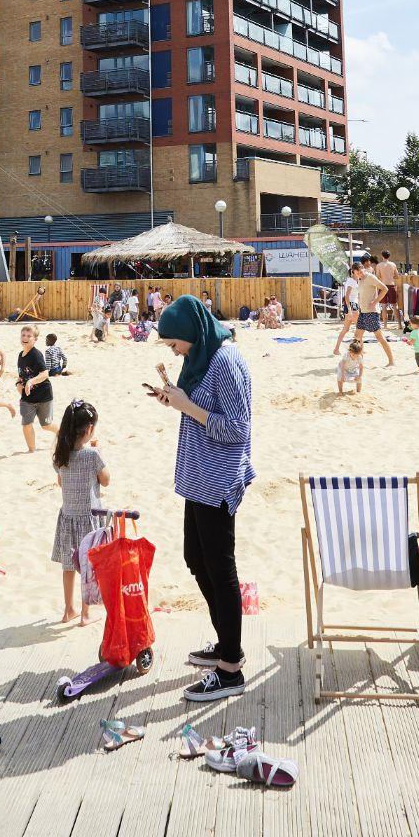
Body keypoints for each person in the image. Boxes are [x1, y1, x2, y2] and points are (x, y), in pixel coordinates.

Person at [151, 294, 254, 702]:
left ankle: (231, 667)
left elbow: (237, 429)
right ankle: (225, 640)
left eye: (174, 341)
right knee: (197, 559)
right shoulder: (200, 359)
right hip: (199, 477)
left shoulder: (225, 361)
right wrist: (175, 400)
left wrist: (188, 407)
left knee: (220, 568)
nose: (172, 349)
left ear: (192, 332)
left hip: (217, 479)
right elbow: (200, 406)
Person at [52, 398, 108, 625]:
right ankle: (85, 614)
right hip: (88, 519)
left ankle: (69, 610)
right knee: (87, 567)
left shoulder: (60, 455)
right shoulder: (92, 456)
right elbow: (106, 481)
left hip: (67, 517)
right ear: (89, 429)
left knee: (68, 566)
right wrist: (99, 452)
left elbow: (61, 482)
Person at [17, 326, 58, 452]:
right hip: (27, 397)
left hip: (44, 395)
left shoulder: (36, 354)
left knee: (46, 425)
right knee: (26, 423)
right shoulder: (21, 355)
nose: (25, 338)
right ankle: (31, 450)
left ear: (35, 339)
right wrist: (19, 383)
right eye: (23, 335)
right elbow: (21, 374)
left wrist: (31, 381)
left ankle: (62, 434)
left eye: (29, 336)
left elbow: (45, 373)